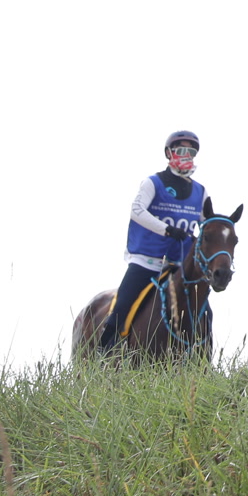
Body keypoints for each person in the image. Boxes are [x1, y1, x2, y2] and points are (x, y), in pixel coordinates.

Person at [97, 130, 209, 351]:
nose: (186, 155)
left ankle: (205, 353)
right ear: (169, 153)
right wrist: (166, 229)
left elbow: (207, 224)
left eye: (191, 151)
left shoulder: (200, 191)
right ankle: (106, 351)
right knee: (122, 306)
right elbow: (137, 210)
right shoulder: (153, 183)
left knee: (205, 310)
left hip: (179, 266)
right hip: (146, 261)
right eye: (181, 150)